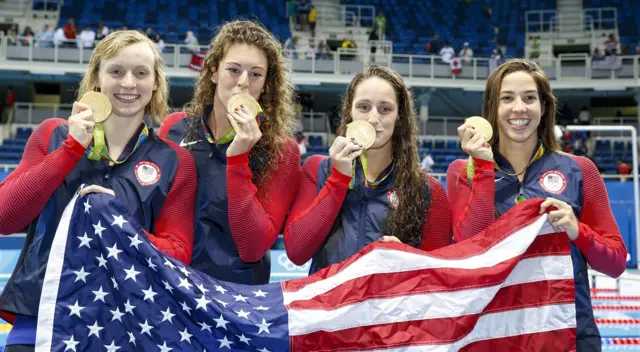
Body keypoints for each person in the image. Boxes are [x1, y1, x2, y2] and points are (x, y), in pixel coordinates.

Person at [0, 30, 197, 352]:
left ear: (156, 84)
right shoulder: (53, 135)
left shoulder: (174, 160)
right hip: (43, 320)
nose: (129, 83)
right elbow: (5, 218)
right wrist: (70, 149)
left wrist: (118, 221)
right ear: (96, 78)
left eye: (141, 73)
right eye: (116, 71)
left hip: (129, 325)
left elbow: (179, 252)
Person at [447, 59, 627, 351]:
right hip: (493, 336)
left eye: (529, 98)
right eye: (507, 98)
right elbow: (468, 248)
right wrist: (482, 167)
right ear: (492, 107)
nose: (519, 108)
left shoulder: (580, 170)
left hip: (569, 335)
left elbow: (616, 263)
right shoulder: (462, 171)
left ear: (543, 107)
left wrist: (577, 230)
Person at [158, 20, 300, 285]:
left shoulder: (282, 151)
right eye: (233, 70)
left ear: (266, 84)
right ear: (213, 72)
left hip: (238, 302)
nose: (243, 83)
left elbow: (253, 247)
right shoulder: (174, 128)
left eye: (255, 74)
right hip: (173, 292)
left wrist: (237, 159)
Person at [284, 66, 453, 273]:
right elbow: (297, 252)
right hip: (327, 303)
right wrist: (337, 180)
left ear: (400, 117)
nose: (373, 119)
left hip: (391, 304)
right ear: (350, 112)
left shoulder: (428, 189)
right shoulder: (317, 168)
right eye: (364, 107)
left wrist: (409, 259)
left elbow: (439, 276)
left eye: (385, 109)